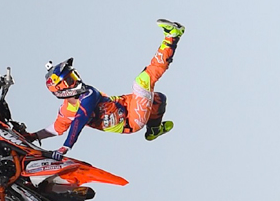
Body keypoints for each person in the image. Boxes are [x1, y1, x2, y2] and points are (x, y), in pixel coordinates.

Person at [27, 19, 185, 158]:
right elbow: (56, 128)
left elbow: (80, 118)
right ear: (60, 90)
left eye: (74, 76)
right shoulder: (68, 110)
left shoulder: (89, 93)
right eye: (70, 80)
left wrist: (65, 147)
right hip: (130, 121)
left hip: (127, 105)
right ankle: (172, 36)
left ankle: (154, 130)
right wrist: (32, 136)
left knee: (158, 98)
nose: (76, 81)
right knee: (142, 82)